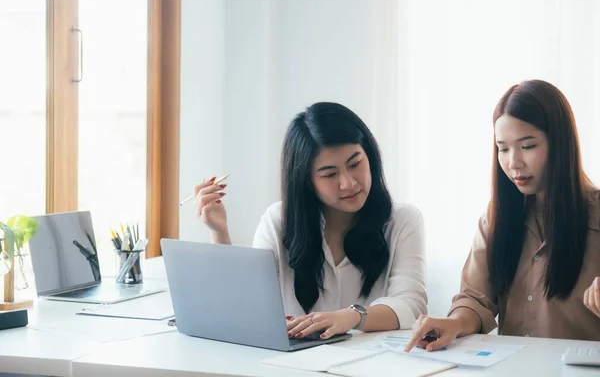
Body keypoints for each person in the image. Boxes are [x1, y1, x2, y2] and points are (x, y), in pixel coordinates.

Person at [193, 102, 427, 340]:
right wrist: (219, 232)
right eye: (330, 174)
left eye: (355, 164)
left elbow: (412, 305)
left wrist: (351, 317)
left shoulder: (402, 221)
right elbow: (245, 307)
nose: (349, 183)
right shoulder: (278, 221)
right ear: (306, 180)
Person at [406, 80, 600, 353]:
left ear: (560, 144)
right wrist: (455, 323)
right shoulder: (497, 216)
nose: (513, 163)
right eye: (503, 148)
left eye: (528, 146)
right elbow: (476, 298)